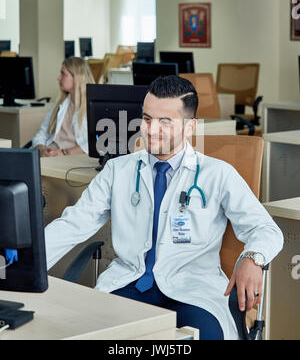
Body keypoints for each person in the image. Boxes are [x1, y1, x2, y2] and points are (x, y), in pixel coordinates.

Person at [45, 75, 283, 340]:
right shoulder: (117, 170)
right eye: (147, 119)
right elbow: (74, 223)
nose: (150, 130)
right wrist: (23, 265)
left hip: (192, 292)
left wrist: (253, 258)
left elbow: (266, 229)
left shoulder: (217, 174)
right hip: (128, 285)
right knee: (87, 333)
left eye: (165, 122)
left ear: (190, 127)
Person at [32, 57, 95, 157]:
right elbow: (42, 133)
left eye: (63, 74)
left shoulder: (92, 107)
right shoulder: (60, 103)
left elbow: (96, 142)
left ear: (77, 77)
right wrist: (41, 148)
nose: (58, 78)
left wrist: (63, 152)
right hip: (50, 154)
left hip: (70, 159)